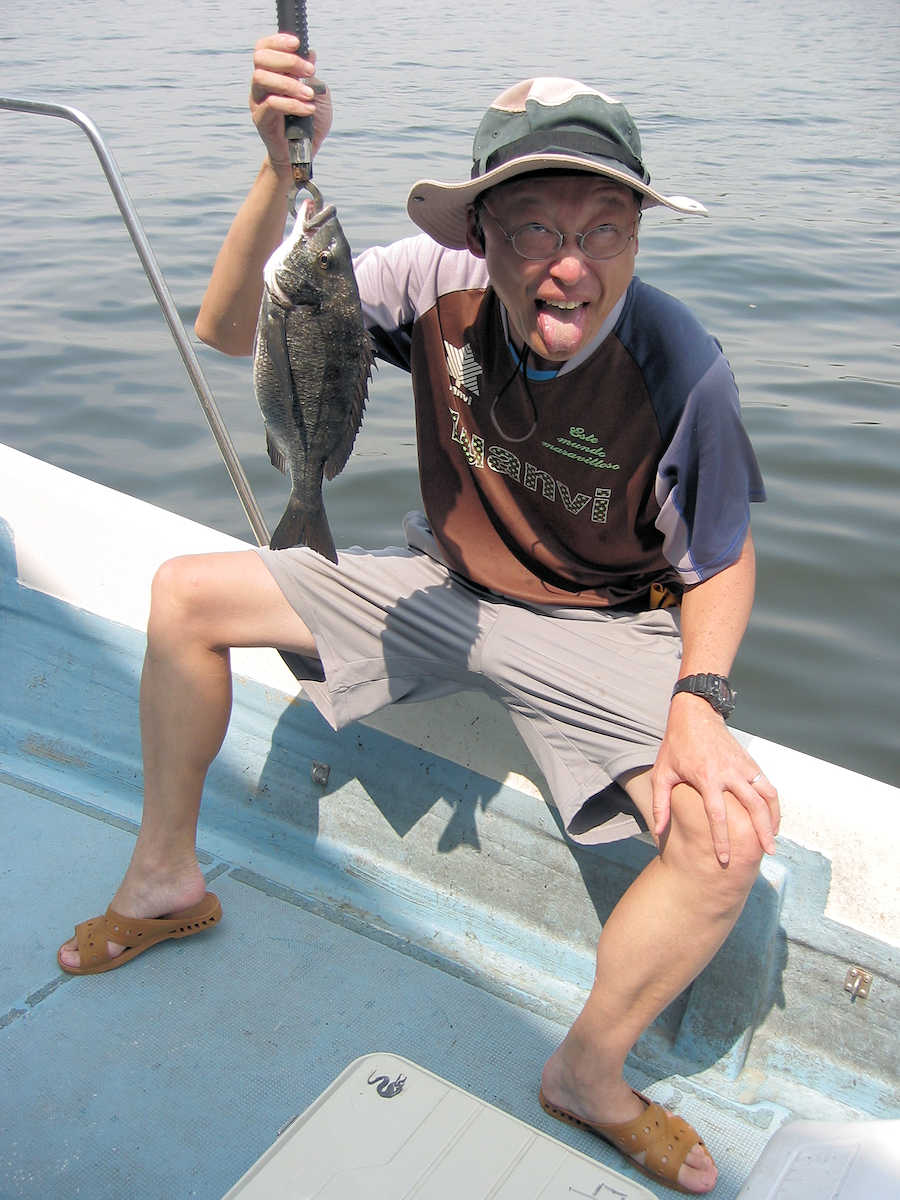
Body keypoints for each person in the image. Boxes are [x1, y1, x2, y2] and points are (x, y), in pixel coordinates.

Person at [58, 33, 781, 1195]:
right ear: (481, 235)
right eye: (534, 229)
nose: (570, 266)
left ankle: (588, 1072)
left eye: (604, 230)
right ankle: (165, 882)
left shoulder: (681, 363)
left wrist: (699, 700)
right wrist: (276, 171)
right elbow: (233, 332)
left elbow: (724, 556)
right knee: (184, 597)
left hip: (604, 626)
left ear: (637, 239)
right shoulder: (426, 284)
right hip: (444, 588)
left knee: (725, 837)